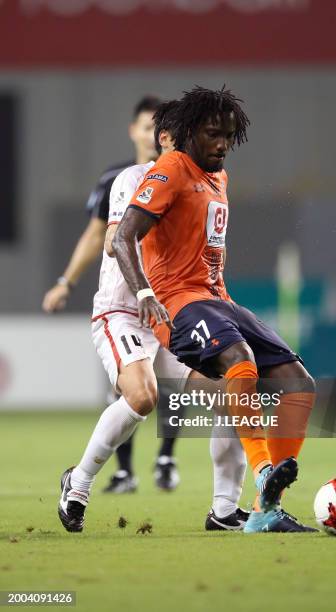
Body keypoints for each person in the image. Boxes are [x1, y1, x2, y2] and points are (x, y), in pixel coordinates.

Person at [113, 86, 318, 533]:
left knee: (298, 383)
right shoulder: (171, 168)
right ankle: (263, 473)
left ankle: (268, 507)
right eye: (212, 134)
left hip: (216, 299)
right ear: (188, 133)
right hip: (175, 304)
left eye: (228, 136)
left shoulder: (217, 176)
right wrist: (145, 294)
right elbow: (122, 236)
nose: (223, 144)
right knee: (238, 363)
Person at [57, 100, 249, 534]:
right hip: (124, 309)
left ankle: (223, 508)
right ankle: (79, 483)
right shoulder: (134, 178)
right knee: (143, 396)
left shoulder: (204, 182)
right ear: (168, 138)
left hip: (172, 312)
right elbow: (113, 242)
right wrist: (128, 238)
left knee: (230, 389)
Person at [42, 95, 183, 492]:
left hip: (167, 304)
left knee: (205, 385)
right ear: (145, 133)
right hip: (126, 304)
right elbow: (102, 238)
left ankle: (178, 467)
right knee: (133, 391)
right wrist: (66, 281)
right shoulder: (121, 179)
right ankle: (116, 471)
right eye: (147, 126)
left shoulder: (194, 180)